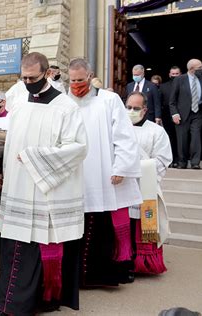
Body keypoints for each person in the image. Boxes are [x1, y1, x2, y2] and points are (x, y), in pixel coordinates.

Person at [0, 53, 87, 316]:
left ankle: (16, 306)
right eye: (24, 77)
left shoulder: (66, 107)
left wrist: (35, 157)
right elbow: (10, 145)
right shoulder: (20, 104)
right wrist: (2, 172)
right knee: (11, 248)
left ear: (47, 74)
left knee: (32, 250)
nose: (28, 82)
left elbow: (77, 148)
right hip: (18, 187)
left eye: (33, 78)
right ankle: (5, 304)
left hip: (44, 190)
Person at [68, 58, 142, 287]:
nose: (76, 84)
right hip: (74, 174)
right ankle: (76, 277)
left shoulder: (109, 100)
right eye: (72, 80)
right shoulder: (64, 102)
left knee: (100, 225)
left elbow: (124, 136)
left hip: (102, 173)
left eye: (80, 80)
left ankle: (100, 276)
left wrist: (122, 167)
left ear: (90, 76)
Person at [126, 91, 172, 275]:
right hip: (121, 186)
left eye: (136, 108)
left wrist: (139, 169)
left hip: (144, 185)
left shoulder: (156, 131)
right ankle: (124, 261)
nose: (131, 111)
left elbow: (163, 159)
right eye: (128, 107)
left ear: (144, 110)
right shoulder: (117, 128)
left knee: (141, 224)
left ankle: (144, 262)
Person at [169, 58, 202, 169]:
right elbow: (172, 100)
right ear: (191, 69)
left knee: (196, 137)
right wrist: (174, 114)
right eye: (199, 67)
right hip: (182, 114)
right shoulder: (179, 80)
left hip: (198, 112)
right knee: (182, 139)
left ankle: (195, 162)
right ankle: (182, 162)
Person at [160, 66, 182, 167]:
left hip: (182, 116)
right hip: (167, 116)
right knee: (170, 139)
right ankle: (171, 160)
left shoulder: (185, 85)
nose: (175, 76)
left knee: (181, 139)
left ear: (180, 74)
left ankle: (181, 160)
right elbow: (160, 102)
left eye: (177, 74)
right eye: (173, 74)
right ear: (169, 74)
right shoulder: (163, 86)